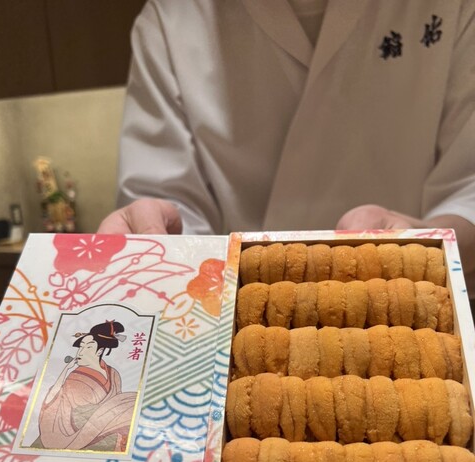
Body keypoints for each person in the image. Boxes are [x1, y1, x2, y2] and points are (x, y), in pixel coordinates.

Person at [98, 0, 475, 300]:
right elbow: (169, 211)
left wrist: (421, 242)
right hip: (242, 310)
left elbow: (468, 188)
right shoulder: (172, 19)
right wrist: (150, 239)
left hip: (412, 300)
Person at [36, 321, 137, 452]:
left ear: (100, 351)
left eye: (88, 347)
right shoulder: (75, 379)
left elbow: (117, 404)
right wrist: (65, 370)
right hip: (77, 434)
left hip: (109, 429)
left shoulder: (113, 374)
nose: (81, 352)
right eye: (81, 347)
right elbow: (53, 403)